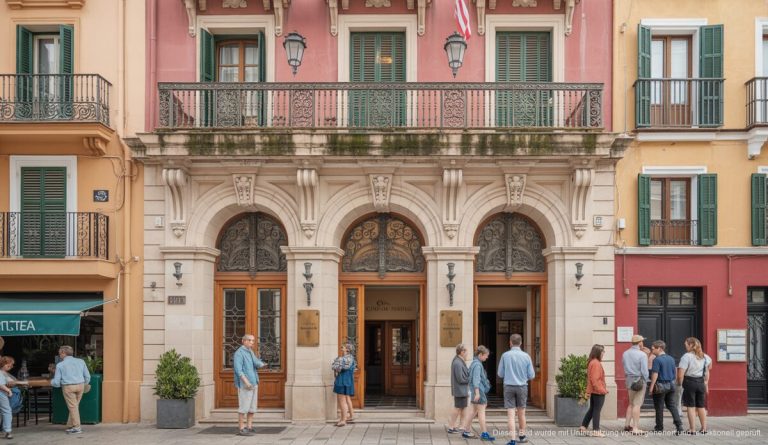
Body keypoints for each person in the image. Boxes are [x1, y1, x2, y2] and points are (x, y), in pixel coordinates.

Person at [497, 334, 535, 445]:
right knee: (521, 414)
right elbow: (532, 375)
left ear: (510, 342)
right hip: (522, 387)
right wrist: (522, 377)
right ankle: (522, 436)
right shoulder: (526, 356)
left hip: (509, 387)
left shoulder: (505, 355)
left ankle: (512, 440)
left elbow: (500, 374)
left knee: (510, 415)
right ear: (521, 343)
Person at [50, 346, 91, 434]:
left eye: (60, 353)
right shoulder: (81, 361)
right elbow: (87, 377)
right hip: (80, 386)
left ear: (63, 353)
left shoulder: (60, 365)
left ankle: (77, 427)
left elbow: (56, 382)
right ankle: (71, 425)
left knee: (73, 407)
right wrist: (84, 384)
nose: (59, 355)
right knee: (74, 407)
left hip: (68, 387)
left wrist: (50, 382)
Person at [677, 337, 712, 434]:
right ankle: (704, 428)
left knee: (691, 406)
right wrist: (706, 384)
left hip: (689, 382)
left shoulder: (686, 356)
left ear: (691, 345)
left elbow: (680, 375)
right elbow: (707, 371)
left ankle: (692, 429)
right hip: (701, 383)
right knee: (701, 406)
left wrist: (680, 384)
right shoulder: (706, 357)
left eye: (686, 345)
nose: (685, 346)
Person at [233, 334, 265, 436]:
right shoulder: (239, 353)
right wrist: (246, 382)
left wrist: (263, 364)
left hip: (254, 382)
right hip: (245, 384)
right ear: (244, 341)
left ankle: (249, 427)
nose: (252, 342)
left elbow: (256, 363)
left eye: (253, 340)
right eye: (250, 340)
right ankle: (241, 428)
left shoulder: (250, 351)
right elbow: (238, 370)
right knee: (244, 407)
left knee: (252, 407)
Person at [648, 340, 683, 434]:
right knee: (671, 405)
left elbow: (655, 374)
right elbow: (675, 371)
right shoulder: (671, 358)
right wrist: (674, 382)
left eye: (653, 349)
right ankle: (679, 425)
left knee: (659, 407)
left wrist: (651, 387)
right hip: (671, 385)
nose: (652, 350)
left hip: (660, 385)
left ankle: (659, 428)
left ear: (659, 348)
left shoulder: (657, 360)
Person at [461, 345, 494, 441]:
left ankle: (466, 431)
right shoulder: (478, 365)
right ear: (480, 355)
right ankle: (484, 434)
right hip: (479, 391)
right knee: (481, 412)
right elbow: (476, 380)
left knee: (472, 412)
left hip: (475, 391)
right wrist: (477, 393)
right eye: (486, 355)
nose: (487, 357)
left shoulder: (474, 363)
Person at [622, 334, 649, 435]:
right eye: (642, 341)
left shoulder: (625, 353)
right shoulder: (642, 355)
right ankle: (635, 428)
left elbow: (624, 365)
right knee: (637, 404)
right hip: (639, 380)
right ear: (640, 342)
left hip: (629, 379)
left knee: (631, 403)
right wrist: (646, 380)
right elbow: (645, 371)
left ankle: (627, 425)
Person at [580, 344, 607, 437]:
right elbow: (595, 380)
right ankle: (596, 430)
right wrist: (602, 390)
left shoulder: (592, 362)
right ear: (598, 352)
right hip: (598, 391)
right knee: (596, 411)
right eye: (603, 351)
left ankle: (583, 426)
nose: (603, 353)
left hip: (594, 390)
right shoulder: (596, 363)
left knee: (592, 409)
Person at [446, 343, 470, 434]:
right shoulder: (457, 362)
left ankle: (461, 426)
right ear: (462, 352)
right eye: (466, 351)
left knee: (462, 408)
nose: (467, 353)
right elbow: (460, 379)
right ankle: (451, 427)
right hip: (460, 390)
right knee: (457, 408)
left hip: (462, 390)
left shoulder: (459, 361)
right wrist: (470, 380)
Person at [332, 343, 356, 427]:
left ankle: (343, 420)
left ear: (347, 350)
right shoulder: (351, 358)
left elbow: (335, 367)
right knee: (345, 399)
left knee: (342, 401)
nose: (342, 347)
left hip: (342, 380)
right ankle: (345, 418)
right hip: (348, 381)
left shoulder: (343, 359)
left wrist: (335, 365)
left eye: (344, 347)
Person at [0, 357, 12, 440]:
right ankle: (8, 431)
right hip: (1, 393)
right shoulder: (1, 373)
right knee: (6, 411)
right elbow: (0, 385)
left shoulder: (4, 373)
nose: (10, 366)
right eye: (8, 364)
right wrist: (8, 390)